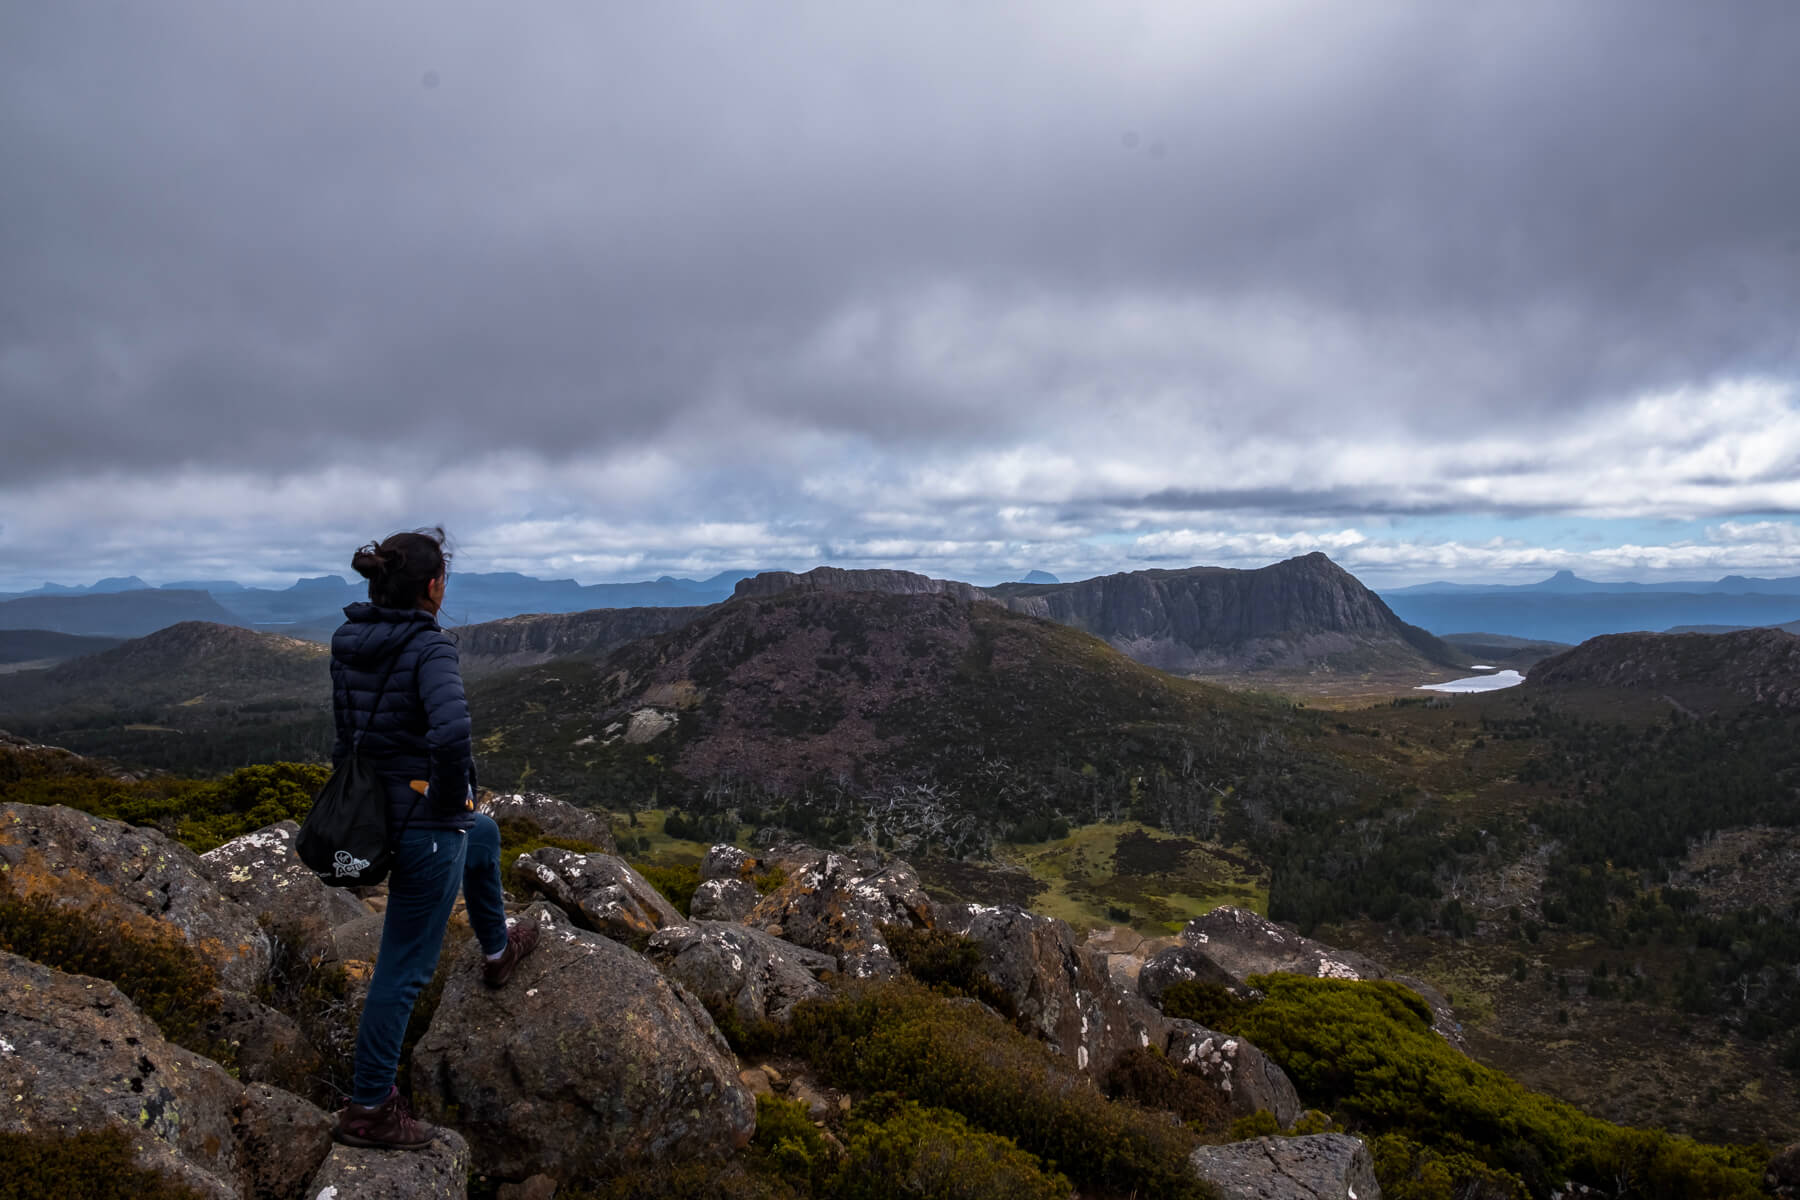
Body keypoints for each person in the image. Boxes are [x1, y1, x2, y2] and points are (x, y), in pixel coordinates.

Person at [328, 526, 538, 1150]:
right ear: (433, 585)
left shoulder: (348, 640)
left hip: (379, 813)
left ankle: (498, 951)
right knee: (404, 969)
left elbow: (349, 738)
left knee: (486, 832)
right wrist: (448, 806)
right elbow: (451, 737)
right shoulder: (431, 649)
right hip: (425, 825)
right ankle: (369, 1108)